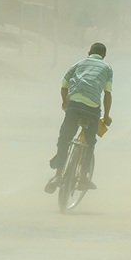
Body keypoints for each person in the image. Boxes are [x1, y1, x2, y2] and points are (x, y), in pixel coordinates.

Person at [45, 42, 113, 193]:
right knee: (89, 142)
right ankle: (83, 177)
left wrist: (65, 102)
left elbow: (64, 84)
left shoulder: (79, 63)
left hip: (74, 105)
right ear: (104, 56)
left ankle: (57, 175)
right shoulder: (107, 68)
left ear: (89, 52)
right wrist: (107, 116)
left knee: (64, 138)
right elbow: (107, 94)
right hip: (92, 108)